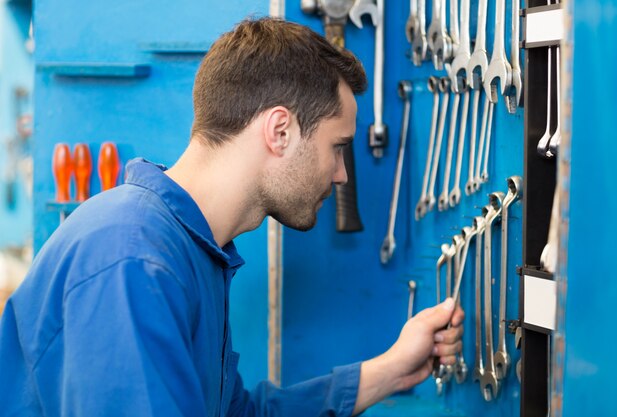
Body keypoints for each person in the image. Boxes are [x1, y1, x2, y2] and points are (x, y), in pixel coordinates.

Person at [0, 18, 464, 416]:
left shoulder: (189, 250)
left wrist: (392, 369)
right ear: (280, 130)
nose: (342, 174)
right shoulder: (133, 260)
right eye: (337, 147)